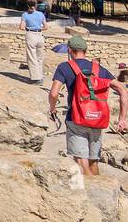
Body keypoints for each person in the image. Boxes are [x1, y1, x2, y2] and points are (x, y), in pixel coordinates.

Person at [49, 35, 128, 177]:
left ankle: (92, 192)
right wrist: (122, 119)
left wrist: (52, 109)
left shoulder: (64, 67)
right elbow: (123, 90)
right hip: (97, 119)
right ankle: (101, 191)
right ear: (85, 51)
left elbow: (54, 94)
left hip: (76, 119)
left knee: (81, 161)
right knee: (93, 161)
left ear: (70, 50)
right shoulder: (98, 69)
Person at [21, 0, 47, 83]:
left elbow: (21, 27)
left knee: (32, 57)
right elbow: (46, 27)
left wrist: (29, 28)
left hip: (31, 35)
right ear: (36, 5)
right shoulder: (41, 14)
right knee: (39, 57)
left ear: (27, 5)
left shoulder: (25, 14)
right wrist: (38, 28)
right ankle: (41, 76)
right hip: (40, 35)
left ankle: (36, 78)